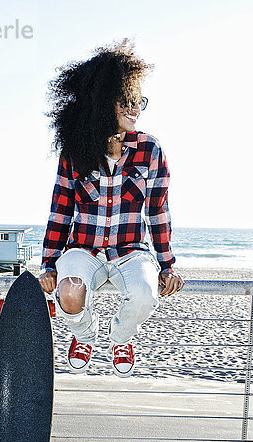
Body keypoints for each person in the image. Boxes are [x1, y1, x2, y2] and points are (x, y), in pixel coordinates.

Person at [38, 38, 184, 377]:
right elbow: (60, 212)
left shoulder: (150, 149)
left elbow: (158, 212)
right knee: (70, 290)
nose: (135, 109)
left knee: (147, 295)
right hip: (83, 249)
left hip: (131, 251)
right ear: (104, 103)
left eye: (139, 102)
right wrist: (48, 263)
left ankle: (120, 338)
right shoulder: (75, 152)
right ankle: (84, 335)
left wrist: (167, 265)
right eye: (127, 102)